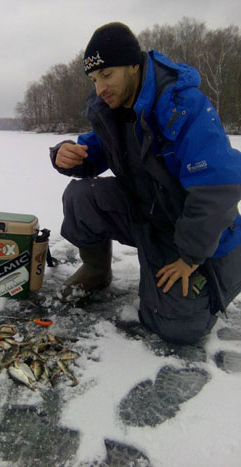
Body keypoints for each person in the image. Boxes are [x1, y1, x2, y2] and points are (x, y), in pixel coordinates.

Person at [49, 22, 241, 345]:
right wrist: (66, 154)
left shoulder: (183, 106)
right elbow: (96, 148)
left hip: (191, 232)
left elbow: (218, 187)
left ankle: (198, 283)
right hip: (146, 213)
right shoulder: (114, 108)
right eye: (94, 80)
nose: (100, 89)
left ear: (134, 66)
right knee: (81, 196)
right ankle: (97, 271)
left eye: (107, 75)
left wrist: (190, 257)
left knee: (175, 327)